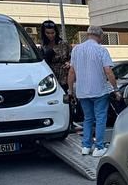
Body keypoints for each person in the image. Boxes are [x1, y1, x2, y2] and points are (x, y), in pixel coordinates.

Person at [67, 26, 121, 157]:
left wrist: (70, 91)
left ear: (88, 34)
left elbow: (71, 72)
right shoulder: (101, 50)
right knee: (100, 118)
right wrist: (115, 89)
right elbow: (108, 71)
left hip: (82, 91)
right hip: (99, 90)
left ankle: (86, 146)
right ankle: (99, 147)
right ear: (100, 36)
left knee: (88, 118)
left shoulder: (76, 50)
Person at [40, 20, 74, 128]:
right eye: (48, 33)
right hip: (50, 76)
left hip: (64, 75)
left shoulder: (63, 44)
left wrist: (69, 63)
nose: (51, 35)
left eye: (53, 33)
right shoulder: (42, 46)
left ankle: (70, 122)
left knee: (67, 99)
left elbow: (72, 56)